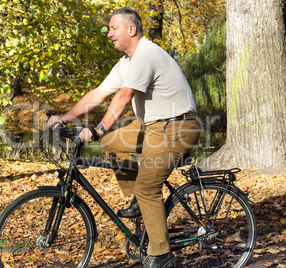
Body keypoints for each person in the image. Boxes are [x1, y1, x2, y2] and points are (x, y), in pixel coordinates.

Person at [48, 8, 201, 268]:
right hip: (153, 126)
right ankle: (139, 202)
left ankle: (162, 255)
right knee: (111, 143)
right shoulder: (127, 62)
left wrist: (99, 128)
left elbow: (124, 96)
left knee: (147, 188)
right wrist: (64, 118)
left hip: (178, 126)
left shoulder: (147, 54)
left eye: (113, 28)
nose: (109, 34)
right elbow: (98, 94)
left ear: (131, 30)